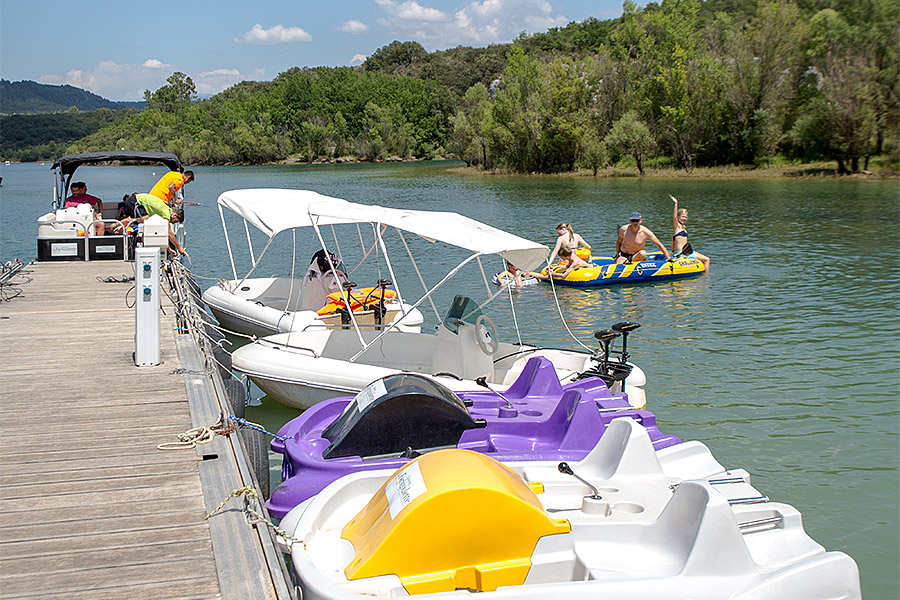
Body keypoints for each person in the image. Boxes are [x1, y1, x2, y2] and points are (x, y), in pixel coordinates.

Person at [123, 192, 187, 255]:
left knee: (149, 226)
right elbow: (169, 233)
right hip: (135, 201)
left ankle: (147, 252)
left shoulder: (166, 211)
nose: (173, 223)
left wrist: (168, 248)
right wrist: (179, 248)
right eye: (175, 221)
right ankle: (123, 222)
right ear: (174, 215)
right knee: (143, 221)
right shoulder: (166, 213)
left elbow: (161, 232)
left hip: (138, 202)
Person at [671, 195, 711, 271]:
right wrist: (676, 203)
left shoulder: (684, 227)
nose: (684, 219)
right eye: (682, 216)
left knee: (707, 259)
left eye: (685, 217)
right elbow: (674, 216)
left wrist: (672, 249)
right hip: (681, 253)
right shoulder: (677, 226)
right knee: (706, 259)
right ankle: (706, 277)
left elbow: (673, 239)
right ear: (678, 216)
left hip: (687, 252)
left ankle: (706, 276)